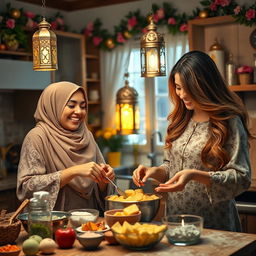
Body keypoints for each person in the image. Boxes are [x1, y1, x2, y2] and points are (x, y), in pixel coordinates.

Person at [132, 51, 252, 231]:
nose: (182, 94)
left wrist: (195, 175)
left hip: (215, 224)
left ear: (205, 85)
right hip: (175, 223)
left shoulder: (229, 122)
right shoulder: (178, 121)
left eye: (189, 88)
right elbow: (170, 165)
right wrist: (155, 171)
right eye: (178, 87)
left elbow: (242, 178)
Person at [17, 81, 114, 213]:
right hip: (53, 226)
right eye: (71, 105)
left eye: (83, 106)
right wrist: (72, 172)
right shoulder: (37, 137)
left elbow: (101, 191)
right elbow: (27, 187)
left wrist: (104, 180)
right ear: (54, 106)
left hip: (91, 226)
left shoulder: (87, 135)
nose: (79, 112)